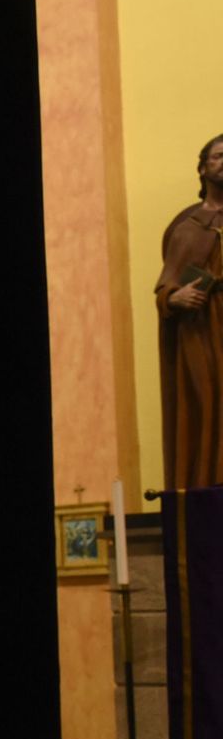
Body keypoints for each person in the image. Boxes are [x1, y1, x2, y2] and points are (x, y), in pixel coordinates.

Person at [156, 133, 223, 489]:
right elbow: (165, 288)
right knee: (207, 406)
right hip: (204, 331)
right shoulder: (189, 226)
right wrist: (174, 299)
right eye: (219, 156)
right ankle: (209, 492)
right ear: (203, 168)